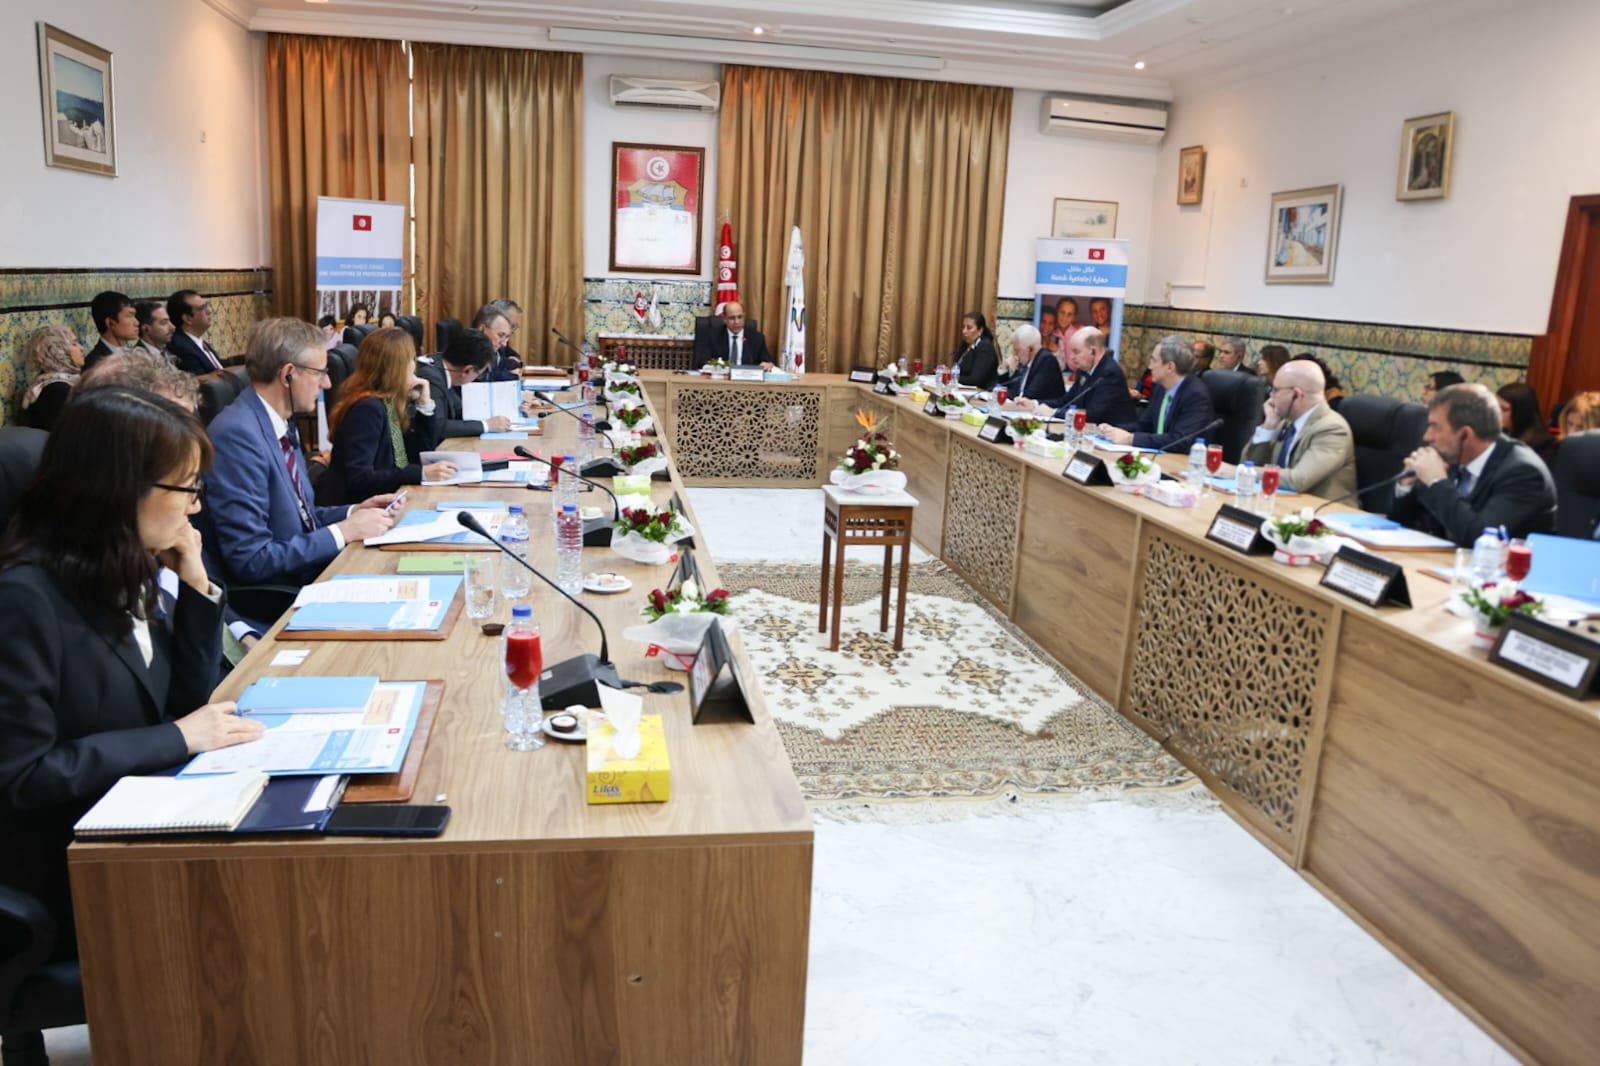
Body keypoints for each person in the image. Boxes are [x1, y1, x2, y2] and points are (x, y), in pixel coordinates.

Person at [0, 388, 265, 962]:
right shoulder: (25, 599)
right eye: (187, 488)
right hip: (76, 865)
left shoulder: (130, 567)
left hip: (149, 819)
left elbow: (185, 703)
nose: (196, 507)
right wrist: (176, 738)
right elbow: (22, 777)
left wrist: (196, 588)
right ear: (121, 491)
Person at [205, 318, 398, 615]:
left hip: (313, 574)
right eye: (320, 373)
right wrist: (344, 531)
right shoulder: (237, 435)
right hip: (283, 600)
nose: (327, 384)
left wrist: (353, 512)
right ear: (288, 375)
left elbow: (302, 517)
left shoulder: (278, 421)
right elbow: (251, 559)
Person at [1389, 383, 1557, 545]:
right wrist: (1406, 484)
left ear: (1465, 434)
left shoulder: (1523, 473)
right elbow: (1401, 521)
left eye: (1435, 427)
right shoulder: (1453, 456)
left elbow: (1480, 538)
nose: (1427, 436)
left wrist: (1436, 482)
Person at [318, 327, 451, 506]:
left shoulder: (387, 402)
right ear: (397, 367)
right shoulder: (367, 409)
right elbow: (359, 478)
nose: (414, 365)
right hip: (361, 508)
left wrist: (424, 405)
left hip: (388, 500)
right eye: (410, 359)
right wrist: (421, 473)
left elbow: (415, 455)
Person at [1237, 359, 1357, 499]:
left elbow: (1298, 480)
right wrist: (1268, 427)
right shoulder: (1285, 422)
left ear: (1296, 394)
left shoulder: (1332, 428)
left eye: (1275, 390)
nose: (1270, 396)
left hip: (1322, 509)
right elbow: (1249, 463)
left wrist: (1240, 471)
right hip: (1282, 502)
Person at [1097, 335, 1216, 452]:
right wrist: (1113, 430)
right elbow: (1145, 425)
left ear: (1170, 367)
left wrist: (1131, 439)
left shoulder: (1196, 395)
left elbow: (1180, 440)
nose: (1150, 367)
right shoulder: (1161, 387)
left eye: (1154, 360)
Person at [1022, 327, 1134, 426]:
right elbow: (1067, 400)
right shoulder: (1084, 369)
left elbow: (1093, 415)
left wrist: (1054, 412)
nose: (1071, 357)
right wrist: (1035, 404)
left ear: (1093, 351)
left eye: (1076, 352)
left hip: (1115, 435)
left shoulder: (1109, 373)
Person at [414, 328, 513, 437]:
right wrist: (486, 425)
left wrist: (510, 407)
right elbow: (438, 426)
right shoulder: (431, 378)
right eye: (479, 374)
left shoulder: (442, 365)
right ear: (467, 370)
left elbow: (460, 409)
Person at [18, 326, 85, 432]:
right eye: (74, 344)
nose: (81, 348)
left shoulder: (59, 383)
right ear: (58, 351)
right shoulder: (57, 391)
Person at [1496, 382, 1559, 471]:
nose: (1496, 413)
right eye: (1495, 407)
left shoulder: (1545, 447)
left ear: (1521, 412)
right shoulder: (1499, 435)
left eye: (1503, 409)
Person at [995, 325, 1065, 405]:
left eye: (1017, 350)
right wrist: (1004, 368)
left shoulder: (1047, 361)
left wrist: (1001, 393)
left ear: (1031, 349)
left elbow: (1027, 396)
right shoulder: (1025, 360)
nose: (1014, 353)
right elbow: (1008, 388)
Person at [693, 301, 771, 369]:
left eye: (740, 317)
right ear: (724, 319)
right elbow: (703, 362)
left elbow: (767, 361)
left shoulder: (757, 338)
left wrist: (767, 364)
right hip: (721, 379)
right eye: (732, 318)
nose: (736, 322)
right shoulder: (713, 337)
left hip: (747, 378)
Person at [166, 289, 226, 375]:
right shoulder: (182, 348)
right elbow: (202, 381)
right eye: (202, 308)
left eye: (207, 306)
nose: (209, 311)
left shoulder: (198, 342)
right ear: (188, 319)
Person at [84, 290, 140, 370]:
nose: (137, 323)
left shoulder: (134, 355)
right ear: (110, 323)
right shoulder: (96, 364)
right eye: (129, 316)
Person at [953, 311, 998, 389]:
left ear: (980, 330)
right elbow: (960, 370)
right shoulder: (966, 344)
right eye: (963, 327)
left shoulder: (985, 347)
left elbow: (976, 380)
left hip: (981, 392)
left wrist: (950, 377)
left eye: (969, 328)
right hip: (964, 389)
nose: (964, 331)